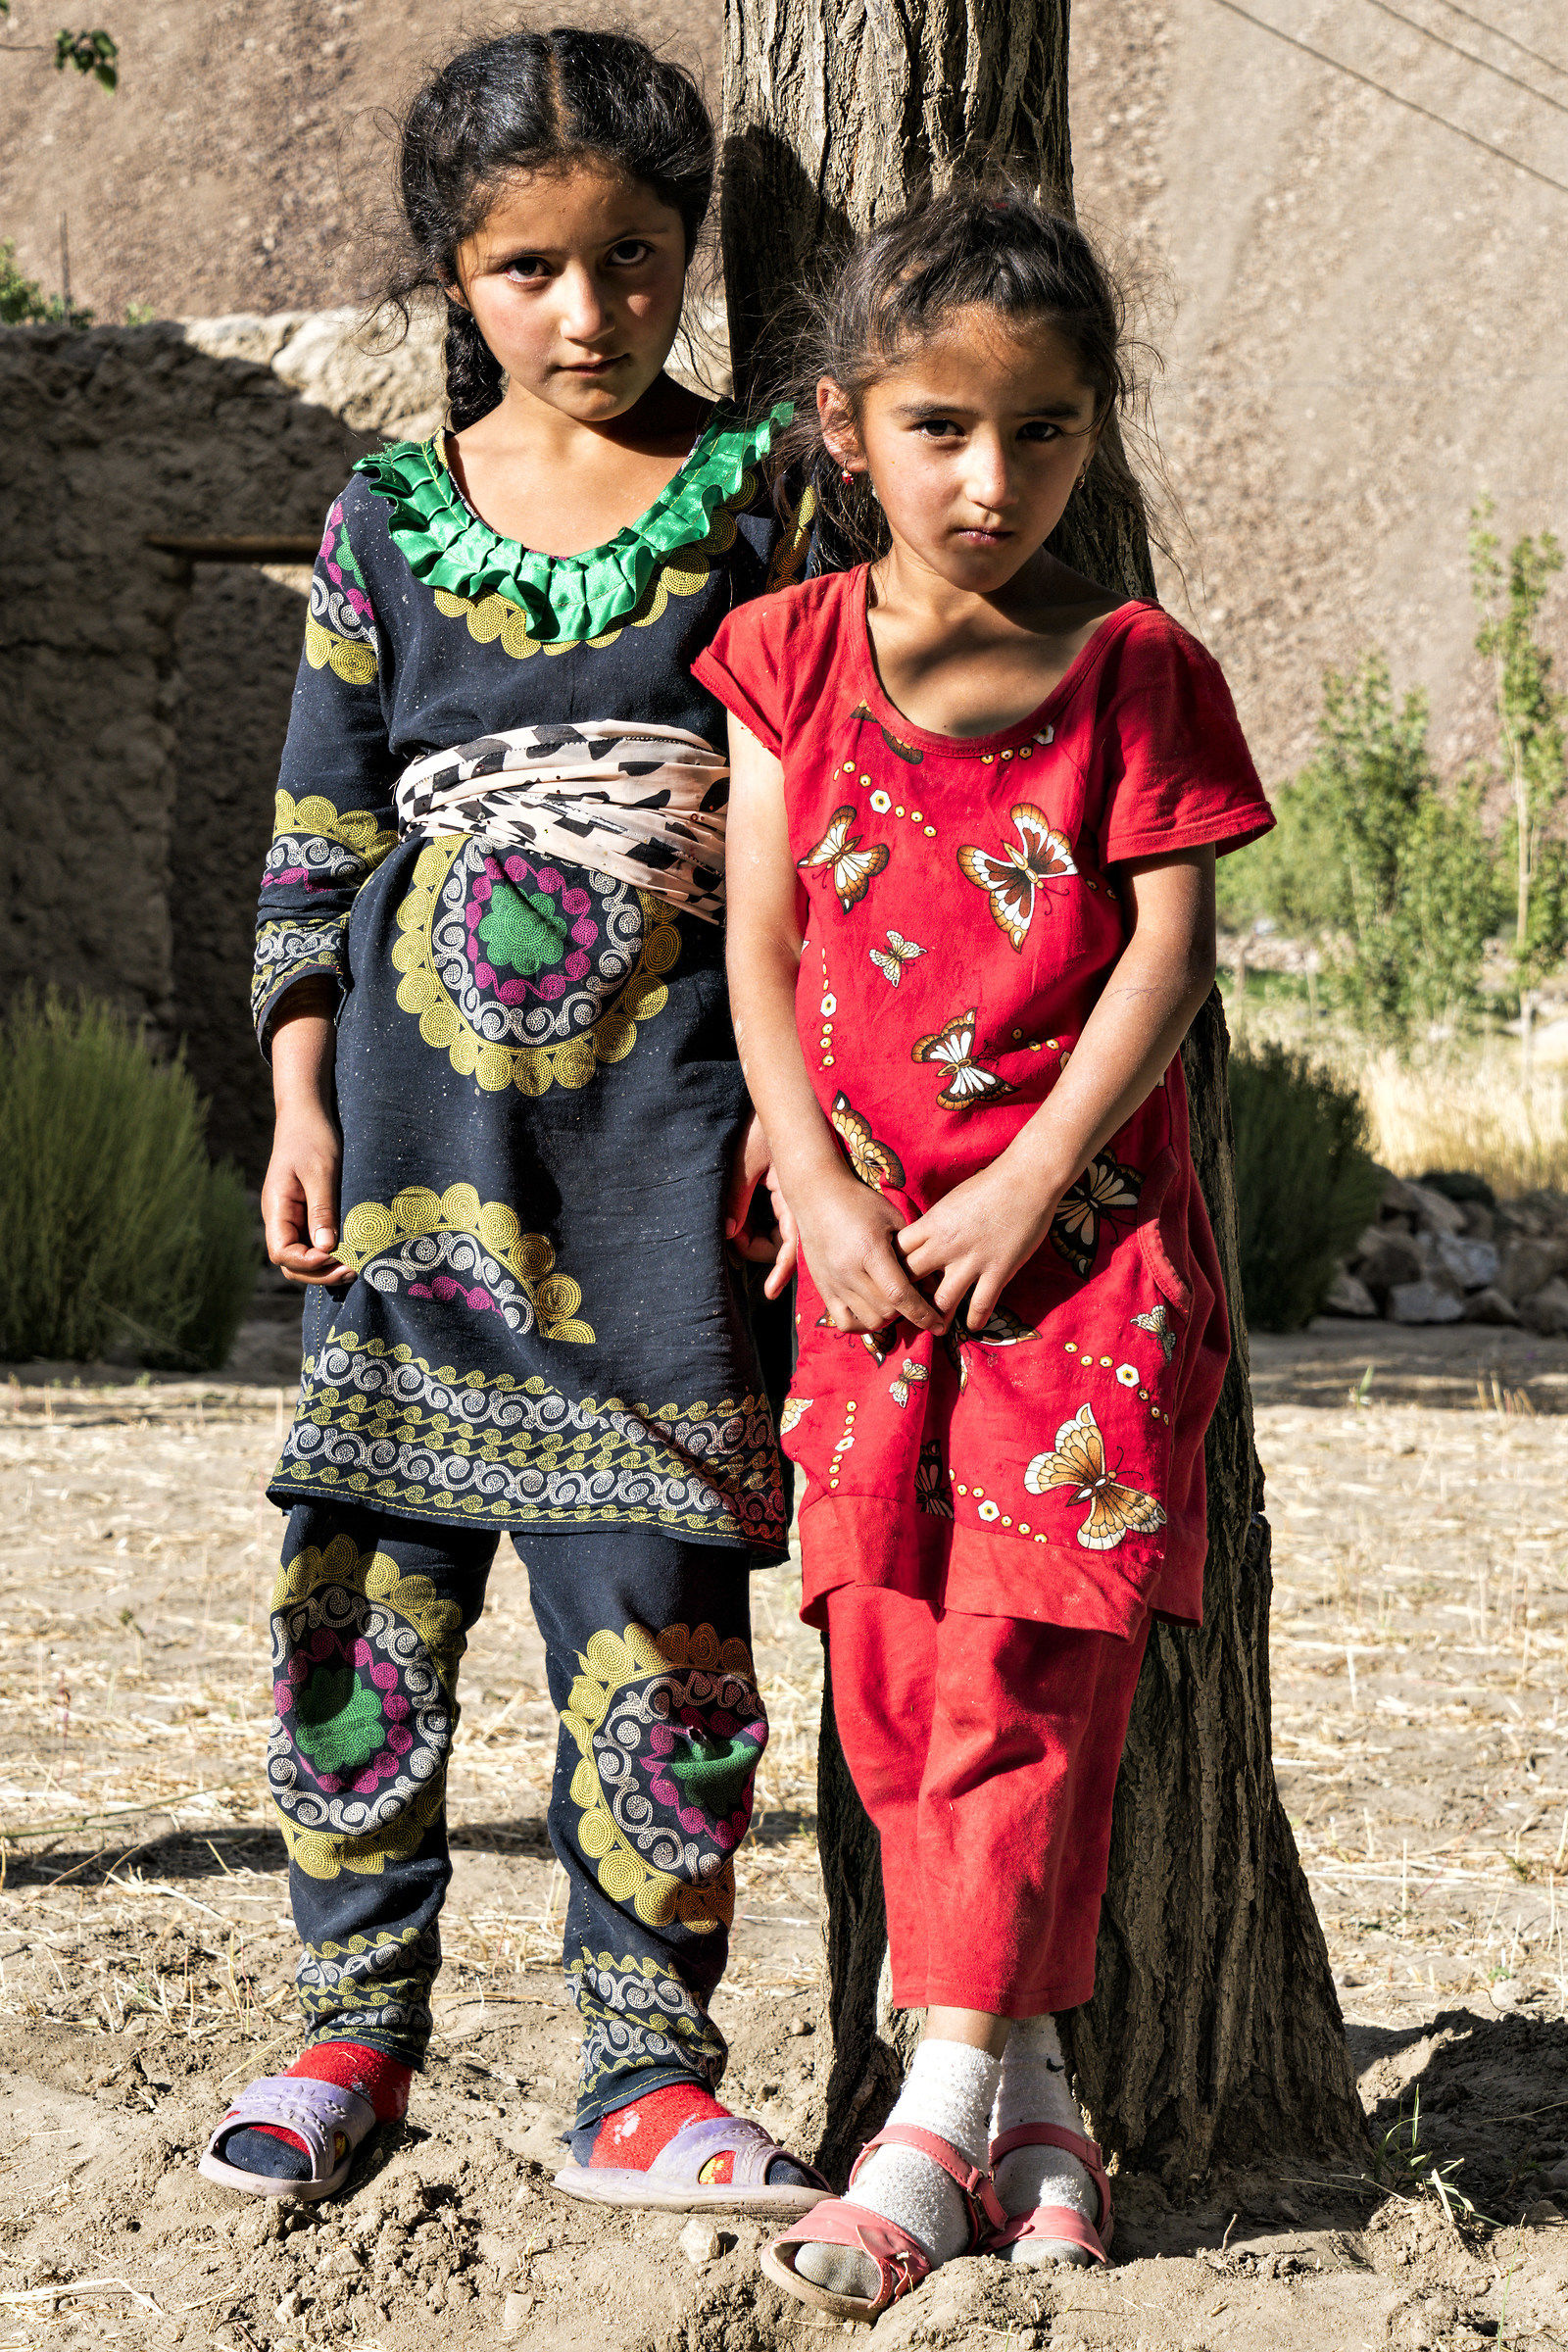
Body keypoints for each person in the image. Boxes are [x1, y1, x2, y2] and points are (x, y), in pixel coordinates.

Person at [198, 26, 827, 2218]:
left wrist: (804, 1116)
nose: (587, 310)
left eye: (633, 258)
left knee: (658, 1613)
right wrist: (295, 1097)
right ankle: (346, 2031)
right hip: (406, 1144)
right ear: (452, 278)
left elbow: (823, 817)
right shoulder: (383, 518)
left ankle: (643, 2074)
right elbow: (315, 832)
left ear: (689, 254)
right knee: (359, 1600)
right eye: (528, 268)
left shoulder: (766, 493)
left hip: (665, 1137)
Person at [698, 184, 1274, 2318]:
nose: (989, 480)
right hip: (859, 1269)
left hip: (1080, 1272)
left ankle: (925, 2121)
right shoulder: (786, 655)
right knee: (882, 1664)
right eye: (939, 427)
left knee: (1027, 1675)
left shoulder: (1137, 673)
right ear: (846, 426)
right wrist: (816, 1183)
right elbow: (759, 946)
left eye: (1041, 434)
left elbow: (1164, 961)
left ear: (1091, 434)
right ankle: (1030, 2106)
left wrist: (1031, 1182)